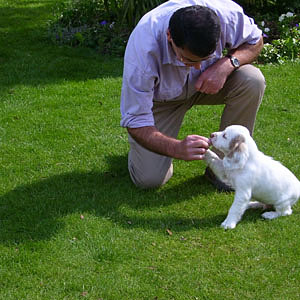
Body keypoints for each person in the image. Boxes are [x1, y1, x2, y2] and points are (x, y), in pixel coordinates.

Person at [120, 0, 265, 190]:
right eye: (187, 59)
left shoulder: (225, 15)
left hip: (208, 85)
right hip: (162, 101)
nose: (197, 66)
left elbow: (256, 41)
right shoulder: (143, 51)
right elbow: (135, 121)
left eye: (205, 59)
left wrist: (225, 66)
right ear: (169, 36)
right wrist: (176, 148)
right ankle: (145, 155)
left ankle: (225, 168)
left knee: (252, 80)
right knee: (149, 179)